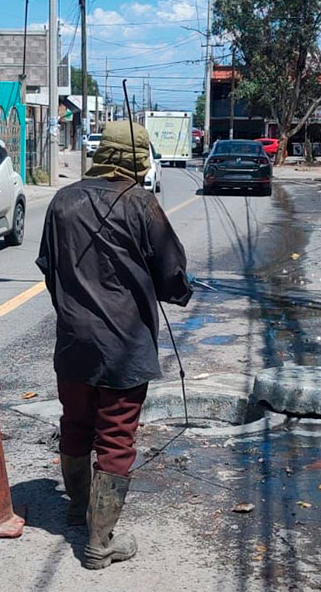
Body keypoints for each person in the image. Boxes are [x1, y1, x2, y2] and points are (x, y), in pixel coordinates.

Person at [36, 121, 193, 568]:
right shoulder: (141, 202)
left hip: (74, 340)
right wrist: (178, 289)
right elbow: (172, 276)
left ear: (102, 152)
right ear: (139, 159)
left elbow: (49, 268)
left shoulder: (63, 201)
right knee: (116, 437)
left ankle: (77, 509)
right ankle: (100, 542)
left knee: (75, 424)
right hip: (124, 344)